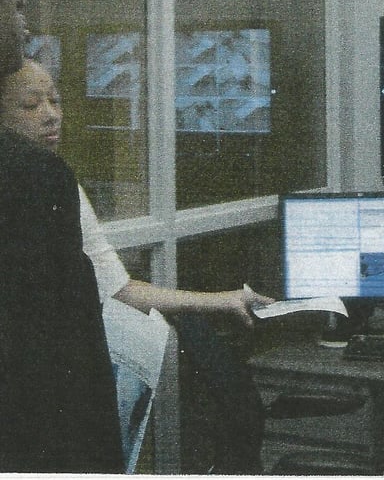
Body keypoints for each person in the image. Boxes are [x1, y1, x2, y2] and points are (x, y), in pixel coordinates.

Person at [0, 57, 276, 473]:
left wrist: (225, 300)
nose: (51, 115)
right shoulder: (33, 184)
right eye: (30, 105)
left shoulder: (57, 182)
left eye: (55, 101)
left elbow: (117, 287)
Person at [0, 0, 124, 472]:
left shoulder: (47, 178)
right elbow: (66, 360)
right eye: (13, 0)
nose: (23, 12)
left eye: (56, 100)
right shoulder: (35, 178)